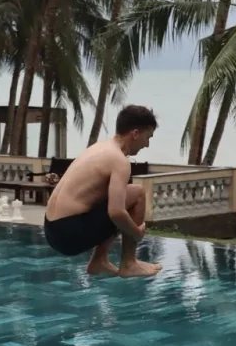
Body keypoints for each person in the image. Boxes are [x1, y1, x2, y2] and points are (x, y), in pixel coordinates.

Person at [44, 105, 163, 278]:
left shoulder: (99, 148)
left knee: (116, 195)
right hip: (69, 234)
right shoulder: (119, 161)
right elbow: (116, 212)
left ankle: (99, 261)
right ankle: (129, 263)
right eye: (147, 138)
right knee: (137, 193)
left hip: (51, 229)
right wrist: (136, 233)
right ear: (135, 133)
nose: (147, 144)